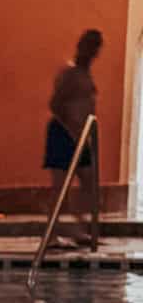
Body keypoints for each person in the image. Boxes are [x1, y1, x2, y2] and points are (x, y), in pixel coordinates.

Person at [44, 28, 102, 248]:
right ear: (82, 47)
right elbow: (55, 104)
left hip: (81, 135)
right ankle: (51, 235)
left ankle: (79, 227)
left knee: (90, 182)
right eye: (91, 48)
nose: (93, 53)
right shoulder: (69, 73)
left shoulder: (86, 74)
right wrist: (70, 127)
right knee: (60, 187)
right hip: (63, 133)